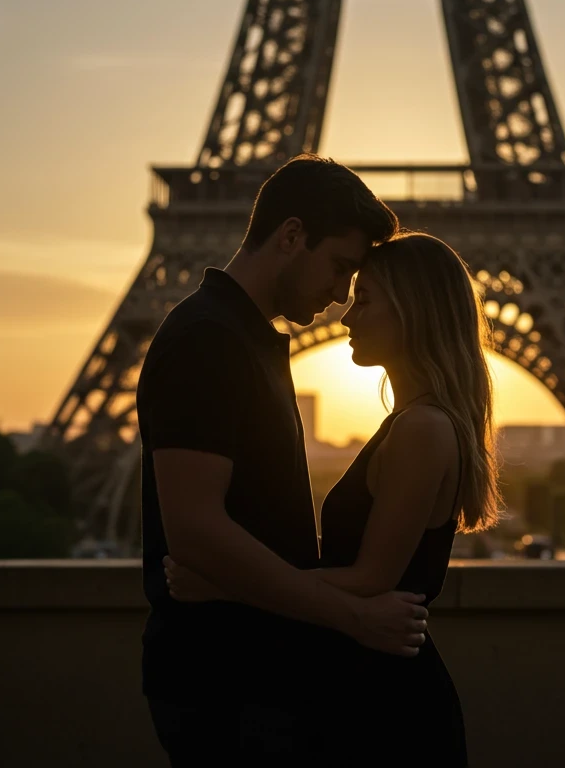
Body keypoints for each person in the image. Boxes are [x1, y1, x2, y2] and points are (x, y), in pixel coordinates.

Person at [167, 231, 503, 766]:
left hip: (384, 704)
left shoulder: (421, 429)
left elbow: (371, 578)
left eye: (365, 300)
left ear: (414, 313)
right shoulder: (414, 422)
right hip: (372, 686)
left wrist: (224, 584)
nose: (346, 316)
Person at [137, 154, 429, 765]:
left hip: (247, 675)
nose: (343, 294)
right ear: (292, 236)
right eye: (341, 267)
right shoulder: (208, 340)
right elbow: (194, 530)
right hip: (228, 684)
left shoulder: (239, 339)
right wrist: (352, 617)